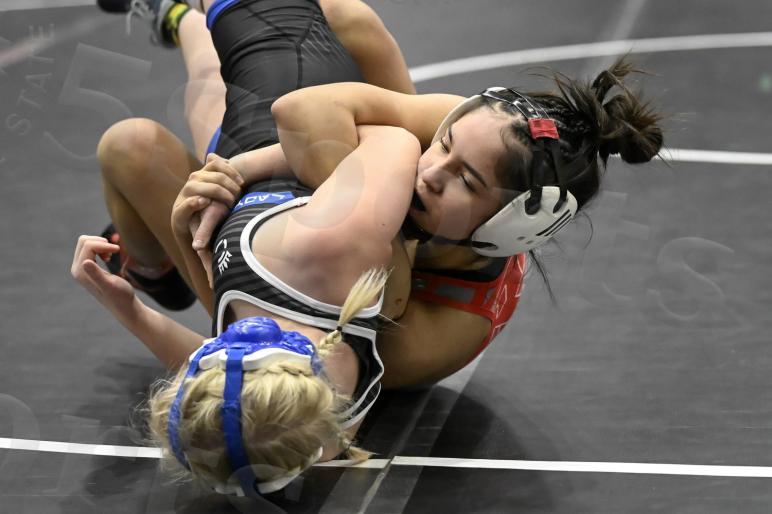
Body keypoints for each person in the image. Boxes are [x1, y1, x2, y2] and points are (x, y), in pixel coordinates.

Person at [93, 0, 664, 391]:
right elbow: (306, 113)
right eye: (442, 144)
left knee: (133, 146)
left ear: (512, 225)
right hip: (362, 218)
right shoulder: (475, 141)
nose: (431, 172)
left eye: (464, 179)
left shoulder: (439, 332)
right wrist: (238, 170)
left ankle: (162, 272)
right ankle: (178, 15)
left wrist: (183, 239)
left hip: (326, 292)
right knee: (351, 23)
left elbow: (255, 350)